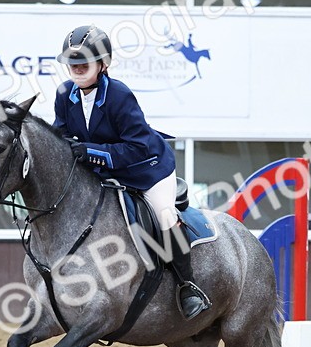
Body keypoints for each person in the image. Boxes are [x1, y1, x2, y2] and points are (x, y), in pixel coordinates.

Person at [53, 24, 210, 319]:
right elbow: (61, 136)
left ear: (103, 64)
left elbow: (137, 148)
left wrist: (91, 152)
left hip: (146, 168)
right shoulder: (65, 94)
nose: (77, 67)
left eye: (84, 61)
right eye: (73, 62)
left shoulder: (119, 96)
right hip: (105, 172)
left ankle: (187, 286)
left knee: (165, 214)